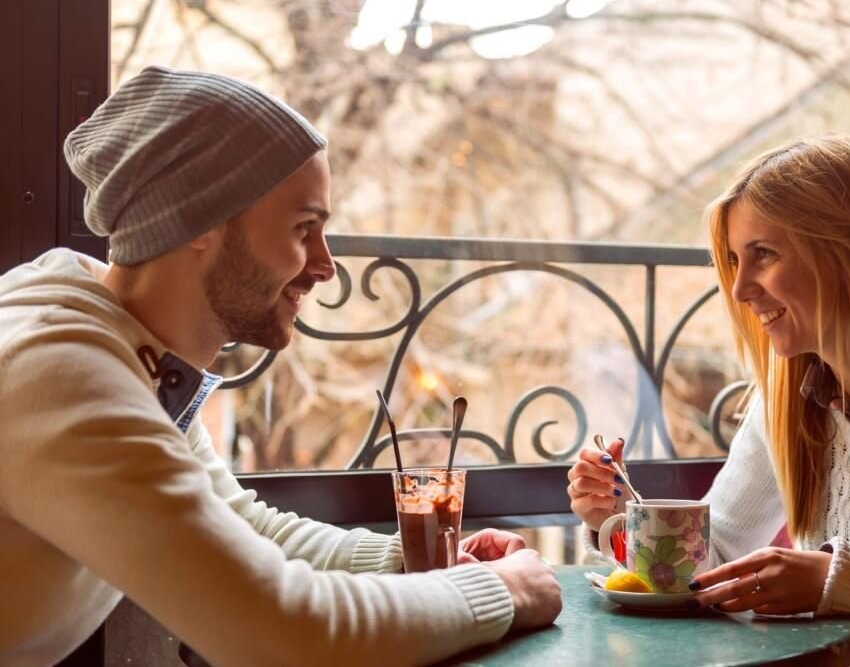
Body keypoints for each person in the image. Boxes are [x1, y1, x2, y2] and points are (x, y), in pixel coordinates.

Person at [0, 66, 561, 667]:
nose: (326, 266)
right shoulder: (67, 376)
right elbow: (287, 630)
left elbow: (233, 525)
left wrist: (413, 560)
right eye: (304, 229)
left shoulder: (127, 349)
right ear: (199, 223)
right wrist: (502, 590)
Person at [568, 134, 850, 664]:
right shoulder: (788, 398)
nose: (739, 291)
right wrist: (621, 517)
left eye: (763, 254)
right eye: (735, 260)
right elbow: (710, 565)